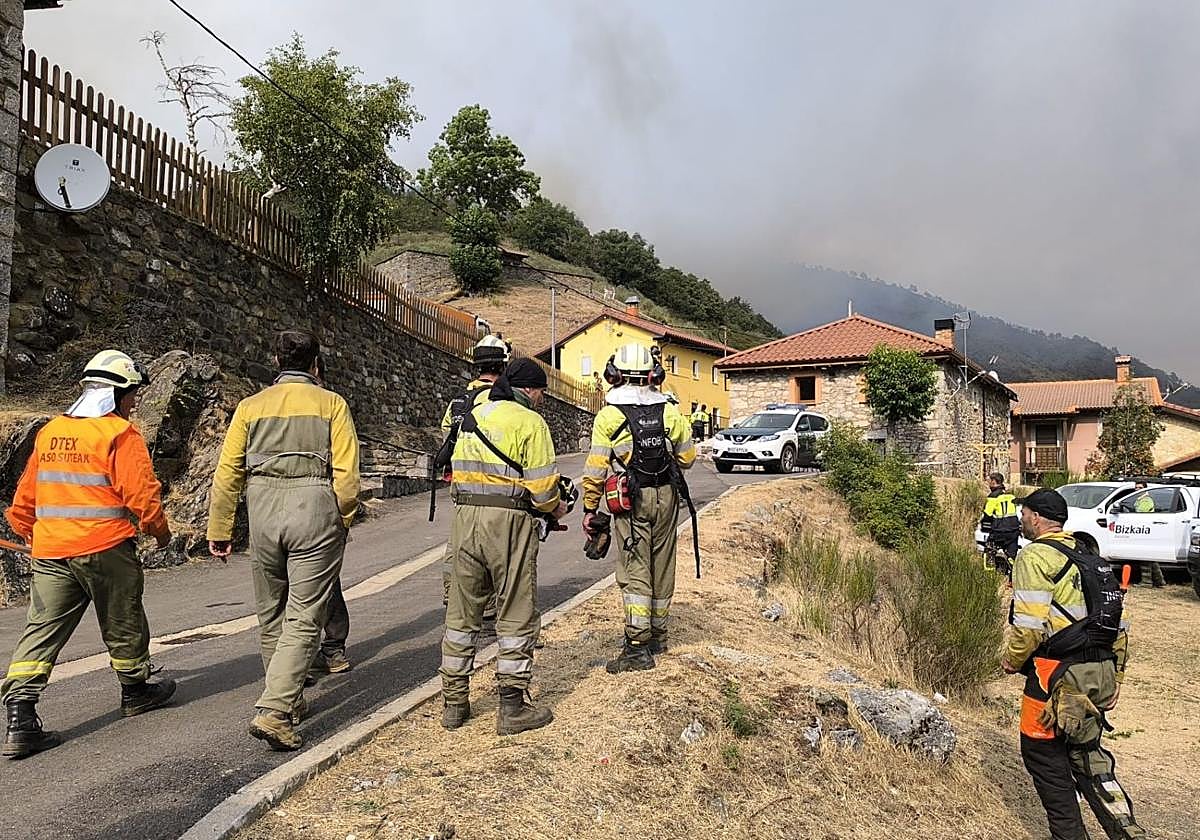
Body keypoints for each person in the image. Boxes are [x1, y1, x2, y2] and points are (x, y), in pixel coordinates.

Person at [3, 350, 176, 759]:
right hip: (105, 548)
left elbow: (27, 494)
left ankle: (20, 717)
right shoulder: (119, 434)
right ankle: (135, 690)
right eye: (132, 393)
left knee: (41, 630)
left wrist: (28, 528)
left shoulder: (51, 432)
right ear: (116, 393)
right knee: (122, 620)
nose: (135, 401)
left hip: (51, 551)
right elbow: (141, 495)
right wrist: (159, 531)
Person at [207, 330, 360, 751]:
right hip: (313, 504)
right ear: (316, 364)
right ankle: (275, 710)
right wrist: (343, 516)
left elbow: (226, 474)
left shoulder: (250, 407)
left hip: (261, 507)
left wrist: (219, 530)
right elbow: (346, 475)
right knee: (306, 613)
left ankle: (289, 701)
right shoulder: (332, 404)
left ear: (276, 360)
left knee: (271, 611)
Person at [1001, 488, 1145, 840]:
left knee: (1042, 752)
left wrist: (1011, 660)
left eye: (1024, 514)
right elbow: (1117, 624)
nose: (1021, 519)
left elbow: (1030, 626)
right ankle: (1127, 830)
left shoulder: (1035, 557)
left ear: (1036, 517)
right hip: (1100, 672)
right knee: (1089, 755)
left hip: (1056, 675)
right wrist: (1117, 678)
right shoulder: (1090, 555)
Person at [439, 358, 566, 735]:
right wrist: (557, 505)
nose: (543, 398)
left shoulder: (471, 416)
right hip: (508, 522)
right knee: (514, 611)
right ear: (529, 389)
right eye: (542, 391)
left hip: (464, 520)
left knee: (461, 615)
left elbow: (455, 477)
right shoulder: (530, 423)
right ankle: (511, 708)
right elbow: (543, 492)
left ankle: (454, 704)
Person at [582, 343, 696, 673]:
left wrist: (591, 509)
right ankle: (658, 635)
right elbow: (687, 458)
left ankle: (636, 646)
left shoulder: (608, 416)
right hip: (666, 496)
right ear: (653, 374)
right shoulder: (669, 411)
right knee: (662, 563)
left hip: (630, 502)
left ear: (613, 374)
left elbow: (595, 468)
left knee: (635, 568)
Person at [437, 335, 510, 614]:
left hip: (461, 484)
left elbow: (447, 436)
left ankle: (452, 592)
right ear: (502, 367)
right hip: (494, 483)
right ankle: (488, 604)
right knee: (492, 545)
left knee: (458, 542)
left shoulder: (459, 401)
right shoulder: (499, 400)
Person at [980, 472, 1020, 575]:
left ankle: (989, 574)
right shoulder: (1011, 496)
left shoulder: (993, 497)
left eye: (989, 482)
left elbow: (987, 515)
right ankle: (1013, 575)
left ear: (994, 482)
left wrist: (985, 524)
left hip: (999, 531)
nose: (989, 485)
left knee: (989, 549)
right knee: (1012, 554)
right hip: (1013, 530)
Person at [1130, 482, 1164, 588]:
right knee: (1150, 557)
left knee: (1144, 556)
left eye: (1140, 487)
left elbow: (1140, 514)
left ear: (1145, 489)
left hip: (1145, 529)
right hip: (1143, 529)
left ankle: (1147, 582)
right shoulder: (1139, 499)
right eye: (1136, 488)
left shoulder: (1146, 500)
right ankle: (1159, 581)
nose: (1137, 489)